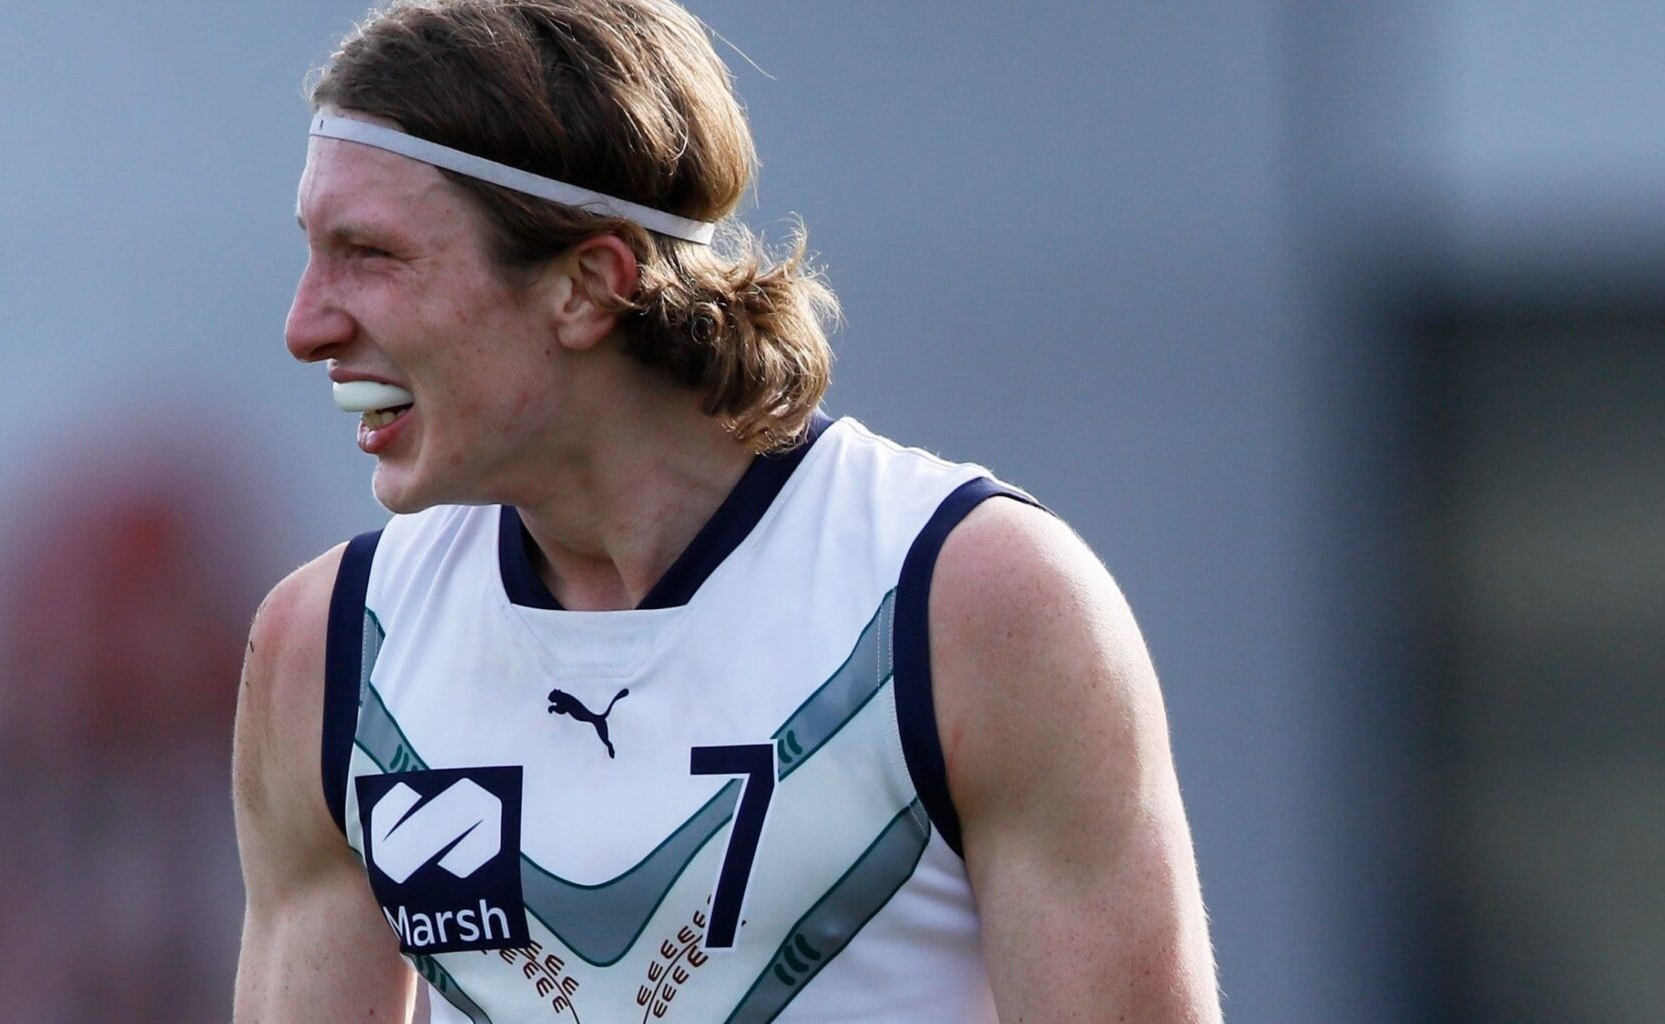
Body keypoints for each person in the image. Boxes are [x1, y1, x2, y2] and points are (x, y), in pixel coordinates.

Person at [232, 1, 1221, 1021]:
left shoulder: (975, 603)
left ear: (588, 284)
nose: (306, 326)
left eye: (372, 255)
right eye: (312, 249)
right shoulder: (329, 650)